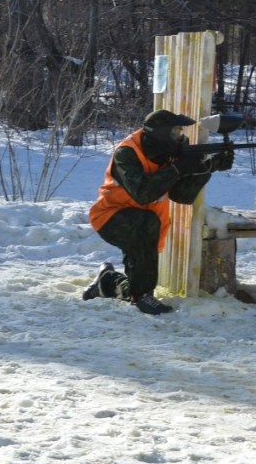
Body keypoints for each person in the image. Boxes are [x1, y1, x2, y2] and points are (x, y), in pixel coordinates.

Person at [82, 109, 233, 314]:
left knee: (137, 280)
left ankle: (108, 282)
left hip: (146, 223)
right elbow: (143, 193)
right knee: (146, 229)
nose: (181, 136)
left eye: (181, 131)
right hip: (111, 216)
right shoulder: (127, 153)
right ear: (160, 135)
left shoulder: (171, 152)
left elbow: (181, 195)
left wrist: (208, 167)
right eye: (175, 132)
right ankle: (143, 297)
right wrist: (178, 168)